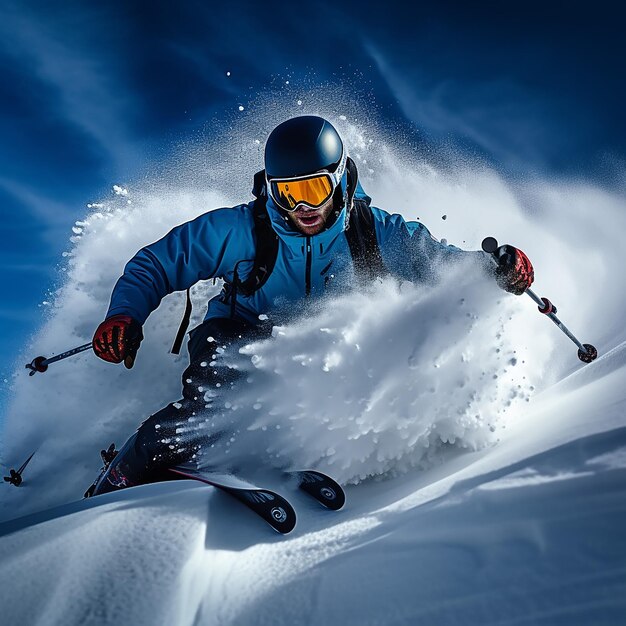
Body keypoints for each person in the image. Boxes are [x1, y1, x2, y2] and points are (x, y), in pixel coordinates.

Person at [86, 115, 534, 496]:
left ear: (338, 178)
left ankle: (286, 457)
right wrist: (126, 314)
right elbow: (158, 263)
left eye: (316, 188)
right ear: (270, 190)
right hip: (237, 332)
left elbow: (440, 262)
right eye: (287, 192)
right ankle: (126, 470)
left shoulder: (375, 232)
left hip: (327, 348)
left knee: (368, 379)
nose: (302, 206)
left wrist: (494, 270)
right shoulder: (242, 229)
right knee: (216, 400)